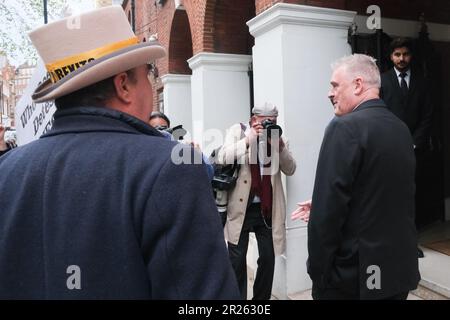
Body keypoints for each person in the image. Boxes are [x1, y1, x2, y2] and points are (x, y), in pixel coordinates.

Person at [0, 6, 239, 299]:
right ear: (124, 84)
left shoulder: (7, 170)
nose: (153, 88)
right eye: (149, 73)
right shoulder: (169, 168)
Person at [294, 54, 420, 300]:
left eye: (334, 85)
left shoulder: (344, 127)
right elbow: (381, 192)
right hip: (396, 273)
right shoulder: (401, 128)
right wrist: (322, 204)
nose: (330, 94)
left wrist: (318, 274)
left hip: (355, 280)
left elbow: (328, 217)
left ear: (358, 84)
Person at [216, 102, 296, 300]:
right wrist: (247, 141)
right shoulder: (238, 131)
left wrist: (280, 148)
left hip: (266, 209)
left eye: (273, 121)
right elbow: (222, 157)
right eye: (265, 122)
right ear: (253, 121)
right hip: (240, 207)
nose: (270, 125)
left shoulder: (278, 138)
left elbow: (291, 169)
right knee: (237, 260)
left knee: (269, 259)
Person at [381, 38, 433, 257]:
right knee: (390, 195)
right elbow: (380, 113)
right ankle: (390, 242)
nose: (401, 59)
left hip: (415, 150)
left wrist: (414, 142)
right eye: (397, 55)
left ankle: (411, 243)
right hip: (389, 150)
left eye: (405, 54)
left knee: (412, 196)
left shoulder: (422, 81)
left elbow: (428, 115)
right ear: (391, 56)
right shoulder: (382, 81)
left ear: (411, 56)